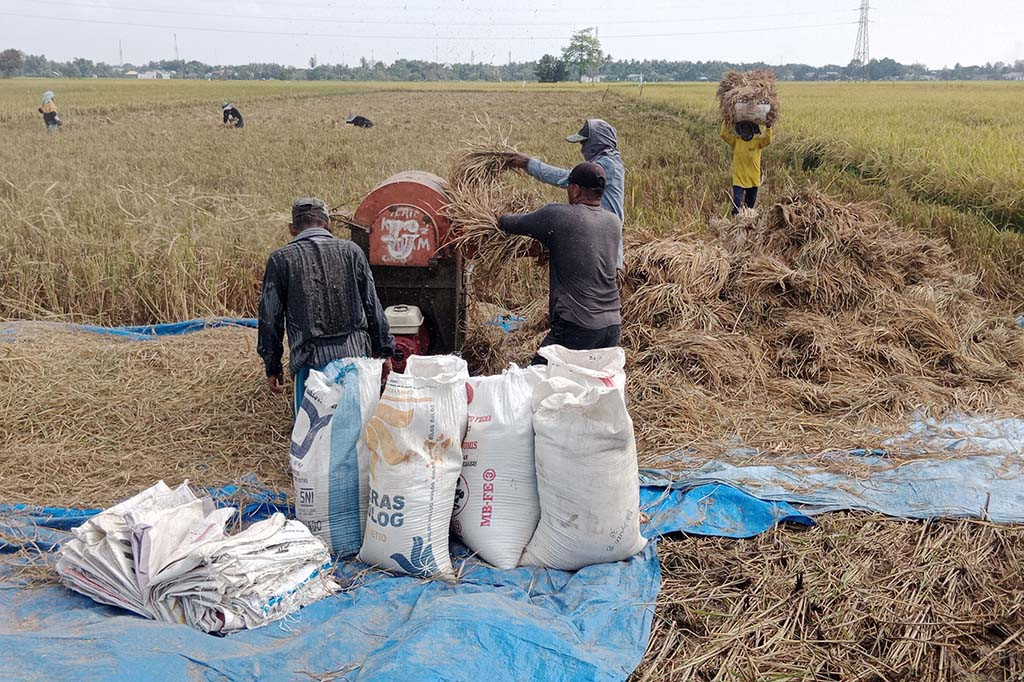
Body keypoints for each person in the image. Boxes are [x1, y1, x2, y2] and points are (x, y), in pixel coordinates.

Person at [257, 197, 395, 414]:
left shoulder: (281, 259)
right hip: (354, 357)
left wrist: (272, 365)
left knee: (311, 435)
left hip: (310, 362)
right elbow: (372, 305)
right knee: (356, 427)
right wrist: (384, 352)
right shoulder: (352, 251)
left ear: (292, 229)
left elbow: (269, 319)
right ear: (328, 224)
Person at [498, 162, 622, 363]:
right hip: (612, 327)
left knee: (536, 380)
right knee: (584, 385)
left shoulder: (557, 215)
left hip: (578, 326)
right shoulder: (613, 221)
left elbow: (509, 223)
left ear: (574, 189)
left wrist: (498, 214)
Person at [506, 119, 625, 268]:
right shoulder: (608, 162)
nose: (582, 149)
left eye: (584, 143)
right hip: (598, 245)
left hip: (601, 248)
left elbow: (567, 178)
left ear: (597, 142)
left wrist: (528, 164)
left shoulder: (607, 165)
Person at [720, 119, 772, 214]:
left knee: (750, 207)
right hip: (739, 178)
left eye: (748, 128)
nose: (746, 130)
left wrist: (768, 127)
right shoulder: (736, 142)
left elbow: (767, 140)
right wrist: (726, 120)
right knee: (737, 202)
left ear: (753, 130)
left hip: (753, 179)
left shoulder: (758, 142)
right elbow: (723, 134)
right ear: (740, 131)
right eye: (744, 128)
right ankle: (735, 221)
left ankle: (747, 224)